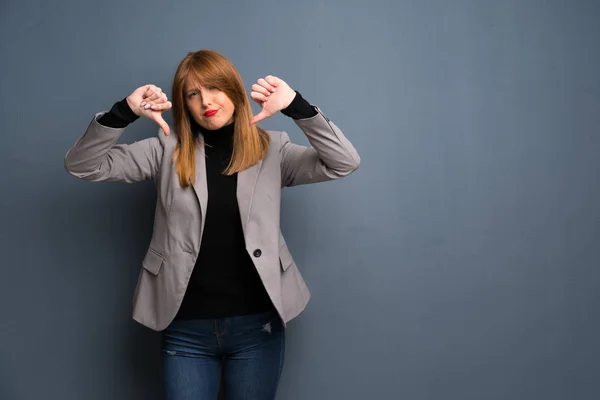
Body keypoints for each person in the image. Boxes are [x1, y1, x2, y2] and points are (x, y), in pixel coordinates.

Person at [64, 49, 360, 400]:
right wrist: (124, 111)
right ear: (183, 103)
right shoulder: (164, 151)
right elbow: (83, 165)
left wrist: (297, 106)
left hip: (258, 325)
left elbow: (344, 162)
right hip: (185, 326)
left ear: (234, 90)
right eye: (193, 93)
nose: (206, 101)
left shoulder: (273, 150)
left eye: (215, 88)